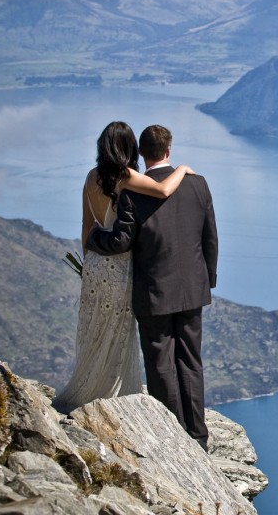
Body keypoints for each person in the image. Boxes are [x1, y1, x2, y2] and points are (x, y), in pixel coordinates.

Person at [86, 124, 218, 450]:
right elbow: (210, 238)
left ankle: (174, 438)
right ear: (169, 149)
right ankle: (198, 438)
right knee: (190, 361)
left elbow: (121, 241)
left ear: (141, 154)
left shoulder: (133, 193)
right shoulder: (198, 184)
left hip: (154, 292)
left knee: (160, 365)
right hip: (192, 289)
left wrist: (92, 238)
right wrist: (207, 280)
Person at [53, 121, 195, 413]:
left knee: (96, 328)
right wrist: (181, 169)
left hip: (94, 264)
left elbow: (87, 225)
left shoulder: (91, 177)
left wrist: (87, 265)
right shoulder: (125, 176)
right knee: (118, 331)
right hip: (119, 267)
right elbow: (162, 189)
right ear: (129, 147)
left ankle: (88, 386)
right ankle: (111, 396)